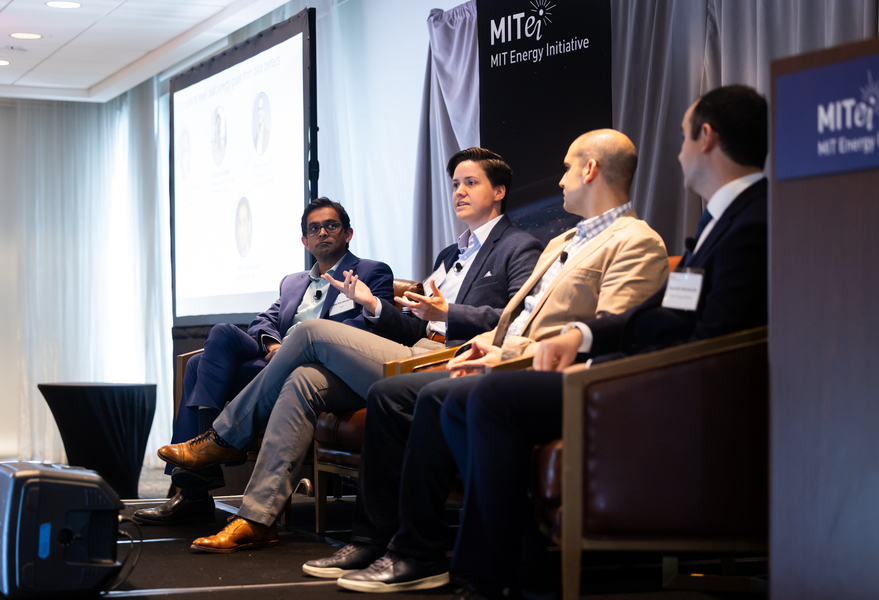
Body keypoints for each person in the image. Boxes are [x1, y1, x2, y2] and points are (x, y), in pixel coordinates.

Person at [303, 129, 672, 593]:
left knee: (430, 396)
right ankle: (374, 540)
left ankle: (418, 551)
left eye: (566, 168)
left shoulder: (635, 241)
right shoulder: (563, 241)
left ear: (590, 169)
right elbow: (518, 319)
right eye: (455, 184)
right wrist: (485, 347)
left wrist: (504, 352)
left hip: (548, 372)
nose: (560, 180)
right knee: (388, 393)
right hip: (503, 356)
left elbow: (607, 334)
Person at [439, 84, 770, 600]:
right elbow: (668, 311)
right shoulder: (721, 218)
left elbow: (710, 342)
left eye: (684, 138)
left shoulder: (755, 220)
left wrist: (602, 370)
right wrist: (585, 335)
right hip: (642, 373)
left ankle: (494, 574)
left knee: (491, 395)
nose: (680, 152)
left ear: (707, 137)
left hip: (673, 392)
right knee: (461, 400)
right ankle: (521, 567)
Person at [152, 148, 544, 551]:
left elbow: (520, 320)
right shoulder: (451, 254)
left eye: (470, 183)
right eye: (456, 184)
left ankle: (222, 437)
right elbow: (412, 328)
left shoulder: (519, 246)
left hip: (452, 360)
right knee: (302, 379)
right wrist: (374, 305)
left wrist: (450, 313)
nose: (459, 191)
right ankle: (258, 518)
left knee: (309, 334)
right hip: (416, 349)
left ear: (499, 191)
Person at [133, 197, 394, 525]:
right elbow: (263, 320)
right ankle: (201, 471)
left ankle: (196, 484)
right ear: (305, 241)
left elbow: (370, 331)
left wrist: (301, 347)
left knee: (200, 368)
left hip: (319, 368)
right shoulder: (293, 282)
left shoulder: (371, 271)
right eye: (314, 228)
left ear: (348, 233)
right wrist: (273, 345)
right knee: (214, 344)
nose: (322, 232)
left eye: (331, 225)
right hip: (276, 364)